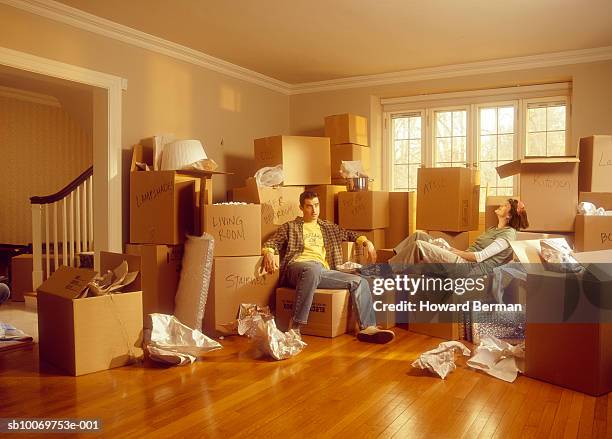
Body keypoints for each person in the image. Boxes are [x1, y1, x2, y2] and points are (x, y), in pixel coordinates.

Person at [262, 190, 395, 344]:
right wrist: (269, 252)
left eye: (317, 205)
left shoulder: (328, 227)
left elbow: (349, 234)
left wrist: (367, 242)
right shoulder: (291, 227)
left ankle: (368, 328)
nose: (314, 210)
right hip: (297, 268)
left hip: (322, 270)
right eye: (309, 206)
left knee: (360, 282)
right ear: (301, 207)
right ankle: (295, 328)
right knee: (312, 269)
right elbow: (272, 242)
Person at [389, 198, 529, 275]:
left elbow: (479, 257)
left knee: (420, 246)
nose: (500, 205)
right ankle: (390, 261)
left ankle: (385, 272)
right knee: (419, 235)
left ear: (509, 216)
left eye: (504, 206)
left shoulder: (508, 235)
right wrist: (449, 248)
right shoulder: (493, 229)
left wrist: (452, 251)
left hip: (469, 268)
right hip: (462, 258)